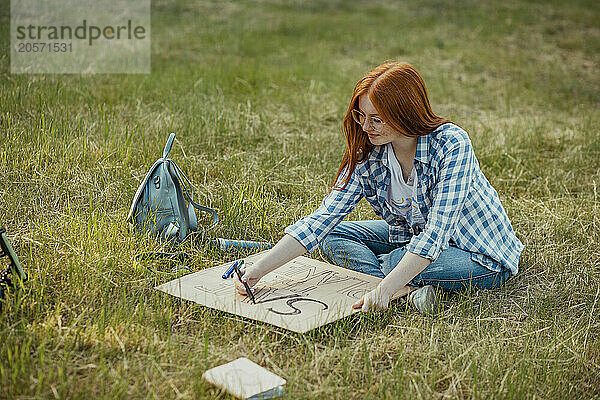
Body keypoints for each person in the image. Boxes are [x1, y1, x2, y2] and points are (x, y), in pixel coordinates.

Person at [235, 61, 523, 314]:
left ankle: (387, 282)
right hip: (410, 236)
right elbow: (320, 221)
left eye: (376, 119)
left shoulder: (452, 144)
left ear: (405, 113)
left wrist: (385, 287)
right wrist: (259, 269)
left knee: (396, 261)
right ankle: (396, 286)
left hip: (477, 254)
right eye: (361, 116)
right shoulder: (369, 153)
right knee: (332, 234)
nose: (366, 127)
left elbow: (436, 233)